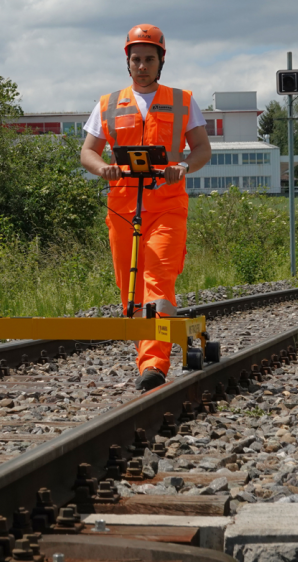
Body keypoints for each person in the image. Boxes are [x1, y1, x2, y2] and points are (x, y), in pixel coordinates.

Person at [80, 24, 212, 392]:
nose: (141, 66)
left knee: (158, 277)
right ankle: (147, 358)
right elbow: (87, 152)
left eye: (149, 59)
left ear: (161, 61)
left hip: (167, 204)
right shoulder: (107, 104)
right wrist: (101, 168)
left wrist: (182, 166)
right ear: (128, 61)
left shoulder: (183, 101)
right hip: (122, 206)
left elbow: (202, 149)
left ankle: (154, 364)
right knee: (131, 291)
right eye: (135, 59)